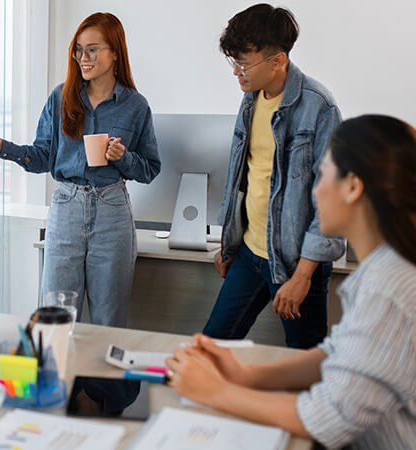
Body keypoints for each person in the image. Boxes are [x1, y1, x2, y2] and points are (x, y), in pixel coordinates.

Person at [167, 115, 416, 449]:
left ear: (354, 187)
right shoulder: (385, 268)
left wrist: (218, 391)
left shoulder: (390, 288)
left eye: (322, 175)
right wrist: (246, 376)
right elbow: (337, 353)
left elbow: (325, 418)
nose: (314, 189)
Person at [0, 12, 160, 327]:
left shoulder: (135, 105)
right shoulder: (61, 96)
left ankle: (100, 379)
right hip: (66, 207)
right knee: (56, 316)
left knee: (109, 318)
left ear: (115, 52)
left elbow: (149, 169)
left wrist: (122, 157)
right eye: (79, 49)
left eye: (93, 48)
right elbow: (42, 158)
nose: (83, 57)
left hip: (112, 211)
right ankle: (60, 377)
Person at [203, 4, 345, 349]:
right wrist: (228, 242)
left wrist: (302, 276)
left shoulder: (319, 108)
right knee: (210, 348)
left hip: (297, 265)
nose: (236, 72)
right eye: (233, 62)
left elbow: (329, 203)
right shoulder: (250, 100)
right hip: (250, 255)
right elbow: (242, 176)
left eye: (243, 64)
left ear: (278, 60)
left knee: (305, 364)